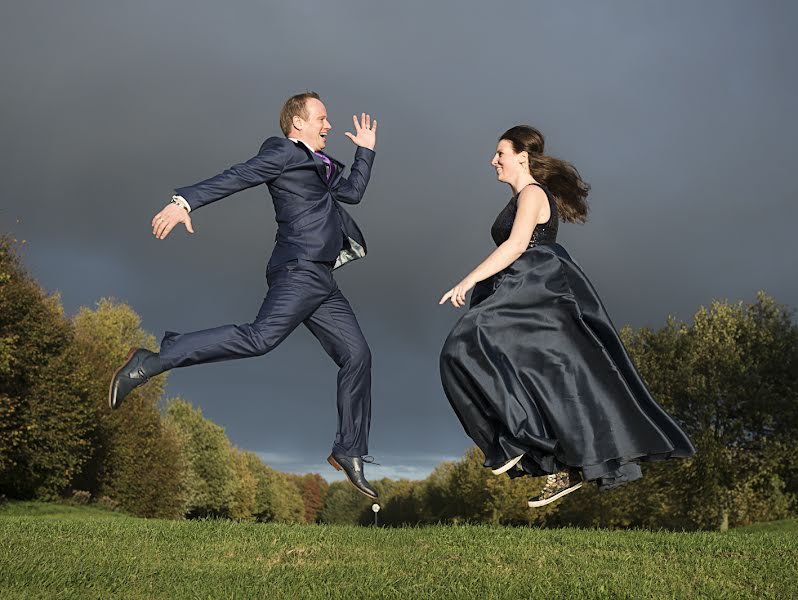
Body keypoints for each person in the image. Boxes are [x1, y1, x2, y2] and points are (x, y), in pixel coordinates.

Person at [109, 92, 380, 499]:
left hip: (323, 280)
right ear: (297, 123)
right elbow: (238, 175)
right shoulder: (282, 152)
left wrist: (365, 152)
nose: (328, 125)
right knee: (260, 338)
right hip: (298, 270)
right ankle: (153, 360)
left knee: (358, 355)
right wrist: (184, 202)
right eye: (321, 119)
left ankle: (350, 450)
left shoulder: (318, 163)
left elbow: (353, 193)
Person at [439, 125, 694, 507]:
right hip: (521, 288)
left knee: (463, 343)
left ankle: (521, 445)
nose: (494, 161)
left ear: (522, 157)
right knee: (534, 376)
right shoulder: (525, 195)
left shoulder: (533, 194)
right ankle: (547, 457)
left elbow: (517, 244)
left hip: (538, 287)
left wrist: (467, 280)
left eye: (500, 154)